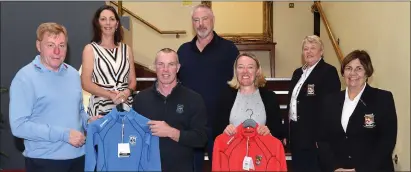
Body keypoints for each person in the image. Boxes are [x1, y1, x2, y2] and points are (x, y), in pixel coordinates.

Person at [9, 22, 100, 172]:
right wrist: (64, 135)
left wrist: (89, 121)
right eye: (50, 45)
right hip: (44, 161)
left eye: (62, 45)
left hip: (79, 158)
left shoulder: (72, 74)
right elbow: (19, 127)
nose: (57, 51)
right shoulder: (24, 78)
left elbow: (78, 112)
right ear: (39, 46)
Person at [177, 4, 239, 170]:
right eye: (196, 20)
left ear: (213, 21)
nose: (201, 24)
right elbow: (176, 85)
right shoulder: (183, 51)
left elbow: (238, 85)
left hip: (221, 124)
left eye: (205, 19)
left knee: (220, 167)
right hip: (190, 125)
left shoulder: (229, 50)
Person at [318, 50, 397, 172]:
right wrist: (334, 167)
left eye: (359, 68)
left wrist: (360, 169)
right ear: (343, 72)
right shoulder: (330, 101)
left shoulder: (382, 99)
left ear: (367, 72)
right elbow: (323, 139)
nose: (352, 73)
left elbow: (387, 141)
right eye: (348, 68)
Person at [133, 48, 208, 172]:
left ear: (178, 68)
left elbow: (201, 138)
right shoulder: (141, 99)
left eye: (171, 64)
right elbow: (134, 136)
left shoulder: (194, 99)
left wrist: (171, 132)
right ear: (154, 67)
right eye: (161, 64)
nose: (165, 70)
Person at [284, 35, 341, 171]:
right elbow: (291, 103)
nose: (308, 52)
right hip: (297, 136)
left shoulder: (328, 71)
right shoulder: (298, 73)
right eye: (305, 49)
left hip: (314, 138)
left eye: (313, 48)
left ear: (321, 52)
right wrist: (287, 132)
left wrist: (321, 138)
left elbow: (331, 108)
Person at [81, 5, 136, 117]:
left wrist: (126, 93)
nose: (108, 23)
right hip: (100, 108)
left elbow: (133, 81)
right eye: (103, 19)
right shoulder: (90, 49)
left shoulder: (127, 49)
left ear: (117, 24)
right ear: (97, 23)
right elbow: (85, 83)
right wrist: (109, 94)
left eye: (112, 19)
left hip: (125, 106)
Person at [213, 52, 283, 141]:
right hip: (233, 151)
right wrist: (224, 131)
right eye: (240, 67)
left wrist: (269, 132)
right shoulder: (225, 97)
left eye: (250, 67)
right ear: (236, 71)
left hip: (262, 152)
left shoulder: (270, 98)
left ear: (257, 71)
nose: (245, 71)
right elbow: (216, 131)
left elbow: (278, 132)